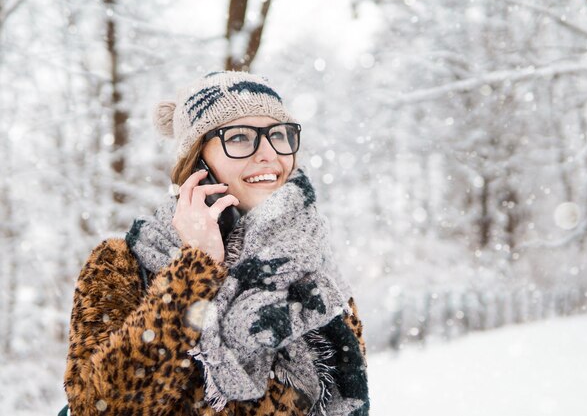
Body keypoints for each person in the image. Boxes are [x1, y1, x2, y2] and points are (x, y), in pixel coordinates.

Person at [62, 71, 369, 416]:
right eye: (239, 137)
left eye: (279, 135)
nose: (268, 153)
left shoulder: (312, 270)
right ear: (197, 162)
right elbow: (99, 406)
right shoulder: (121, 265)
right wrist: (193, 271)